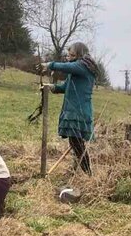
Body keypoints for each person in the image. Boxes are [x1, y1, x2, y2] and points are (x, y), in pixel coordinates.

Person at [40, 42, 98, 176]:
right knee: (76, 143)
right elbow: (65, 87)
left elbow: (66, 67)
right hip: (74, 111)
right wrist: (51, 87)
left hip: (79, 112)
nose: (68, 56)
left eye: (71, 53)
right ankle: (82, 172)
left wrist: (49, 65)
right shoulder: (77, 69)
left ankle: (88, 174)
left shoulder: (83, 66)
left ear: (78, 53)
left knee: (77, 143)